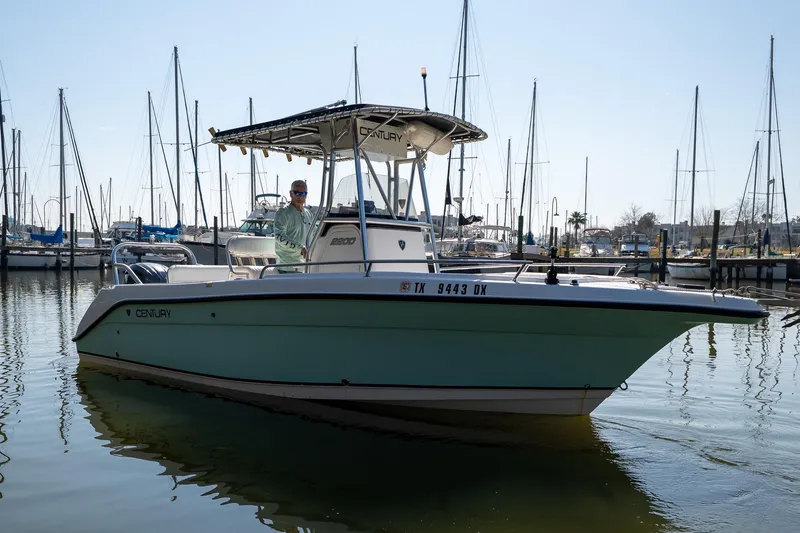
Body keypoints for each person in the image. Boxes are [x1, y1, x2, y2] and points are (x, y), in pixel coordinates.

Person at [274, 180, 314, 272]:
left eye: (303, 193)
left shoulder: (309, 214)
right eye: (297, 193)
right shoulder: (283, 212)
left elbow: (315, 233)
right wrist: (300, 248)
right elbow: (279, 236)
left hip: (306, 267)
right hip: (287, 267)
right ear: (291, 194)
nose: (300, 196)